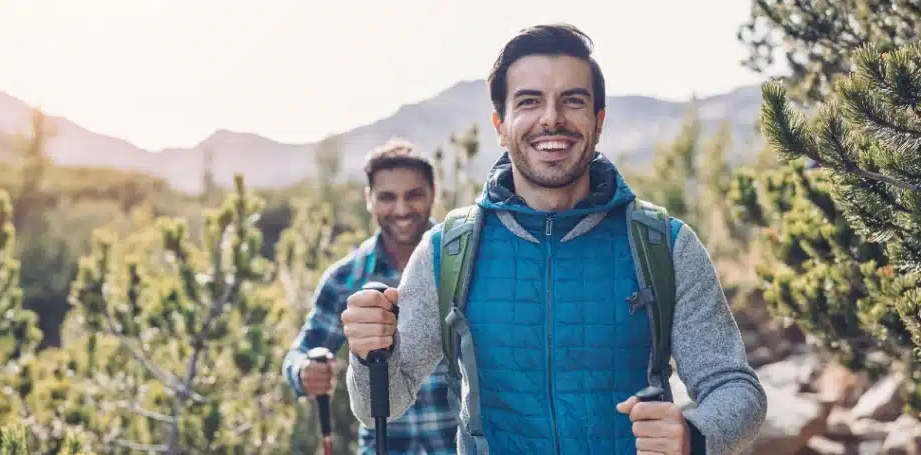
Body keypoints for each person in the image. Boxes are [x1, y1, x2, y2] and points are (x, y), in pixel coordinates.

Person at [340, 23, 767, 455]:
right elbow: (383, 403)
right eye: (529, 101)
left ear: (598, 122)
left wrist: (694, 433)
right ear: (500, 125)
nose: (551, 118)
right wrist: (366, 353)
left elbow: (735, 388)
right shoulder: (446, 252)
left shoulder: (665, 245)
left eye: (573, 100)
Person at [282, 138, 458, 455]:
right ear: (369, 199)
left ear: (434, 193)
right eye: (387, 197)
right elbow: (301, 352)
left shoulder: (465, 263)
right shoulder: (344, 280)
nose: (402, 209)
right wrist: (304, 370)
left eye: (414, 195)